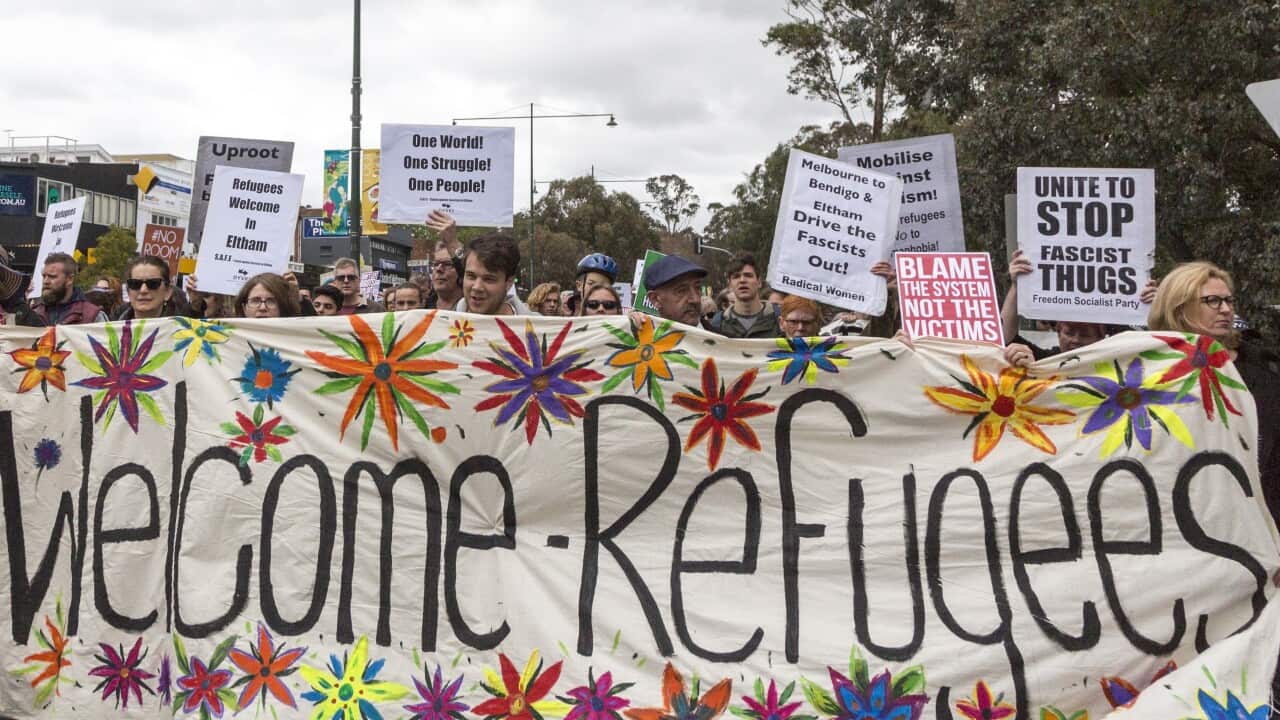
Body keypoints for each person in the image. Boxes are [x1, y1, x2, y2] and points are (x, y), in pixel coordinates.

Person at [1147, 261, 1280, 530]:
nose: (1227, 309)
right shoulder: (1146, 370)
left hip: (1256, 525)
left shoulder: (1262, 369)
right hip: (1179, 525)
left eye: (1229, 300)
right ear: (1179, 307)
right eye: (1213, 301)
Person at [1002, 249, 1156, 363]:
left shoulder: (1120, 366)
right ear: (1058, 332)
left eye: (1085, 334)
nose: (1075, 340)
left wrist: (1156, 308)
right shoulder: (1046, 361)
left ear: (1102, 337)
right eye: (1069, 333)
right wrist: (1017, 285)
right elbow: (1004, 337)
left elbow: (1159, 353)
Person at [708, 251, 780, 338]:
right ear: (730, 285)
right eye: (736, 276)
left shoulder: (779, 319)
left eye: (748, 275)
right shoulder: (718, 324)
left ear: (759, 282)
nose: (742, 280)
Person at [458, 234, 530, 315]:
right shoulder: (445, 322)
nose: (477, 287)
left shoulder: (539, 326)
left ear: (509, 282)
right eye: (471, 276)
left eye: (488, 279)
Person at [26, 252, 107, 325]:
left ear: (69, 279)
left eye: (52, 276)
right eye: (44, 276)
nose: (46, 281)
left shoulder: (93, 316)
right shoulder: (33, 314)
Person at [641, 255, 706, 327]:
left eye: (698, 288)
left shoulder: (718, 335)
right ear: (655, 299)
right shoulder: (638, 336)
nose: (695, 299)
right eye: (681, 291)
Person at [115, 255, 182, 320]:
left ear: (168, 291)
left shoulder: (185, 330)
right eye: (135, 284)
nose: (143, 290)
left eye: (153, 283)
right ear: (128, 291)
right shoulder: (110, 328)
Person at [234, 272, 301, 318]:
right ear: (244, 308)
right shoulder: (227, 334)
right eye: (255, 301)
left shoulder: (294, 337)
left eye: (271, 301)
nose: (262, 308)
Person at [426, 245, 464, 310]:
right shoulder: (423, 306)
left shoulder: (472, 308)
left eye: (447, 264)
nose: (438, 269)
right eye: (436, 264)